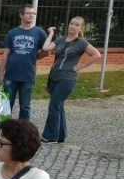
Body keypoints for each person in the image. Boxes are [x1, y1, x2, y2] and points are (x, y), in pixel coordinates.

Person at [39, 16, 101, 144]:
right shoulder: (61, 40)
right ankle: (60, 136)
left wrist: (79, 67)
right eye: (72, 23)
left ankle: (50, 136)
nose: (73, 26)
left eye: (77, 25)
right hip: (54, 77)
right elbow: (45, 48)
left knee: (54, 106)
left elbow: (96, 55)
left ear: (81, 28)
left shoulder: (82, 43)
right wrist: (51, 33)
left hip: (67, 79)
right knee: (59, 106)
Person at [0, 4, 52, 121]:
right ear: (21, 15)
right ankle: (2, 130)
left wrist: (34, 57)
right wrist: (1, 72)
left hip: (28, 74)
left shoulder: (39, 33)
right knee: (6, 104)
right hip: (11, 74)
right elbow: (5, 54)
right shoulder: (13, 33)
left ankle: (23, 132)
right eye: (28, 13)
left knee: (25, 106)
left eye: (33, 13)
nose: (31, 16)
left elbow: (47, 52)